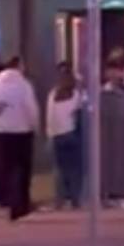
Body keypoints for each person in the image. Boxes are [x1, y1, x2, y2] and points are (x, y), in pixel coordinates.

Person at [0, 56, 39, 222]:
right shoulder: (23, 85)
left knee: (7, 169)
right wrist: (34, 125)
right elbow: (30, 108)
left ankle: (10, 202)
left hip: (2, 132)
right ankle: (22, 204)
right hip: (22, 131)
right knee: (23, 169)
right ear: (18, 66)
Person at [46, 62, 83, 210]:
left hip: (57, 135)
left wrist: (50, 134)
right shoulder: (75, 94)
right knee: (74, 169)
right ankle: (75, 199)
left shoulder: (53, 94)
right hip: (71, 133)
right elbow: (79, 112)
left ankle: (60, 200)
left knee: (59, 169)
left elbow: (49, 116)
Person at [100, 58, 124, 208]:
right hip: (106, 136)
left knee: (123, 163)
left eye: (118, 71)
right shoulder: (102, 93)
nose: (115, 74)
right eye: (111, 70)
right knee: (106, 163)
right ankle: (107, 195)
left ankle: (121, 195)